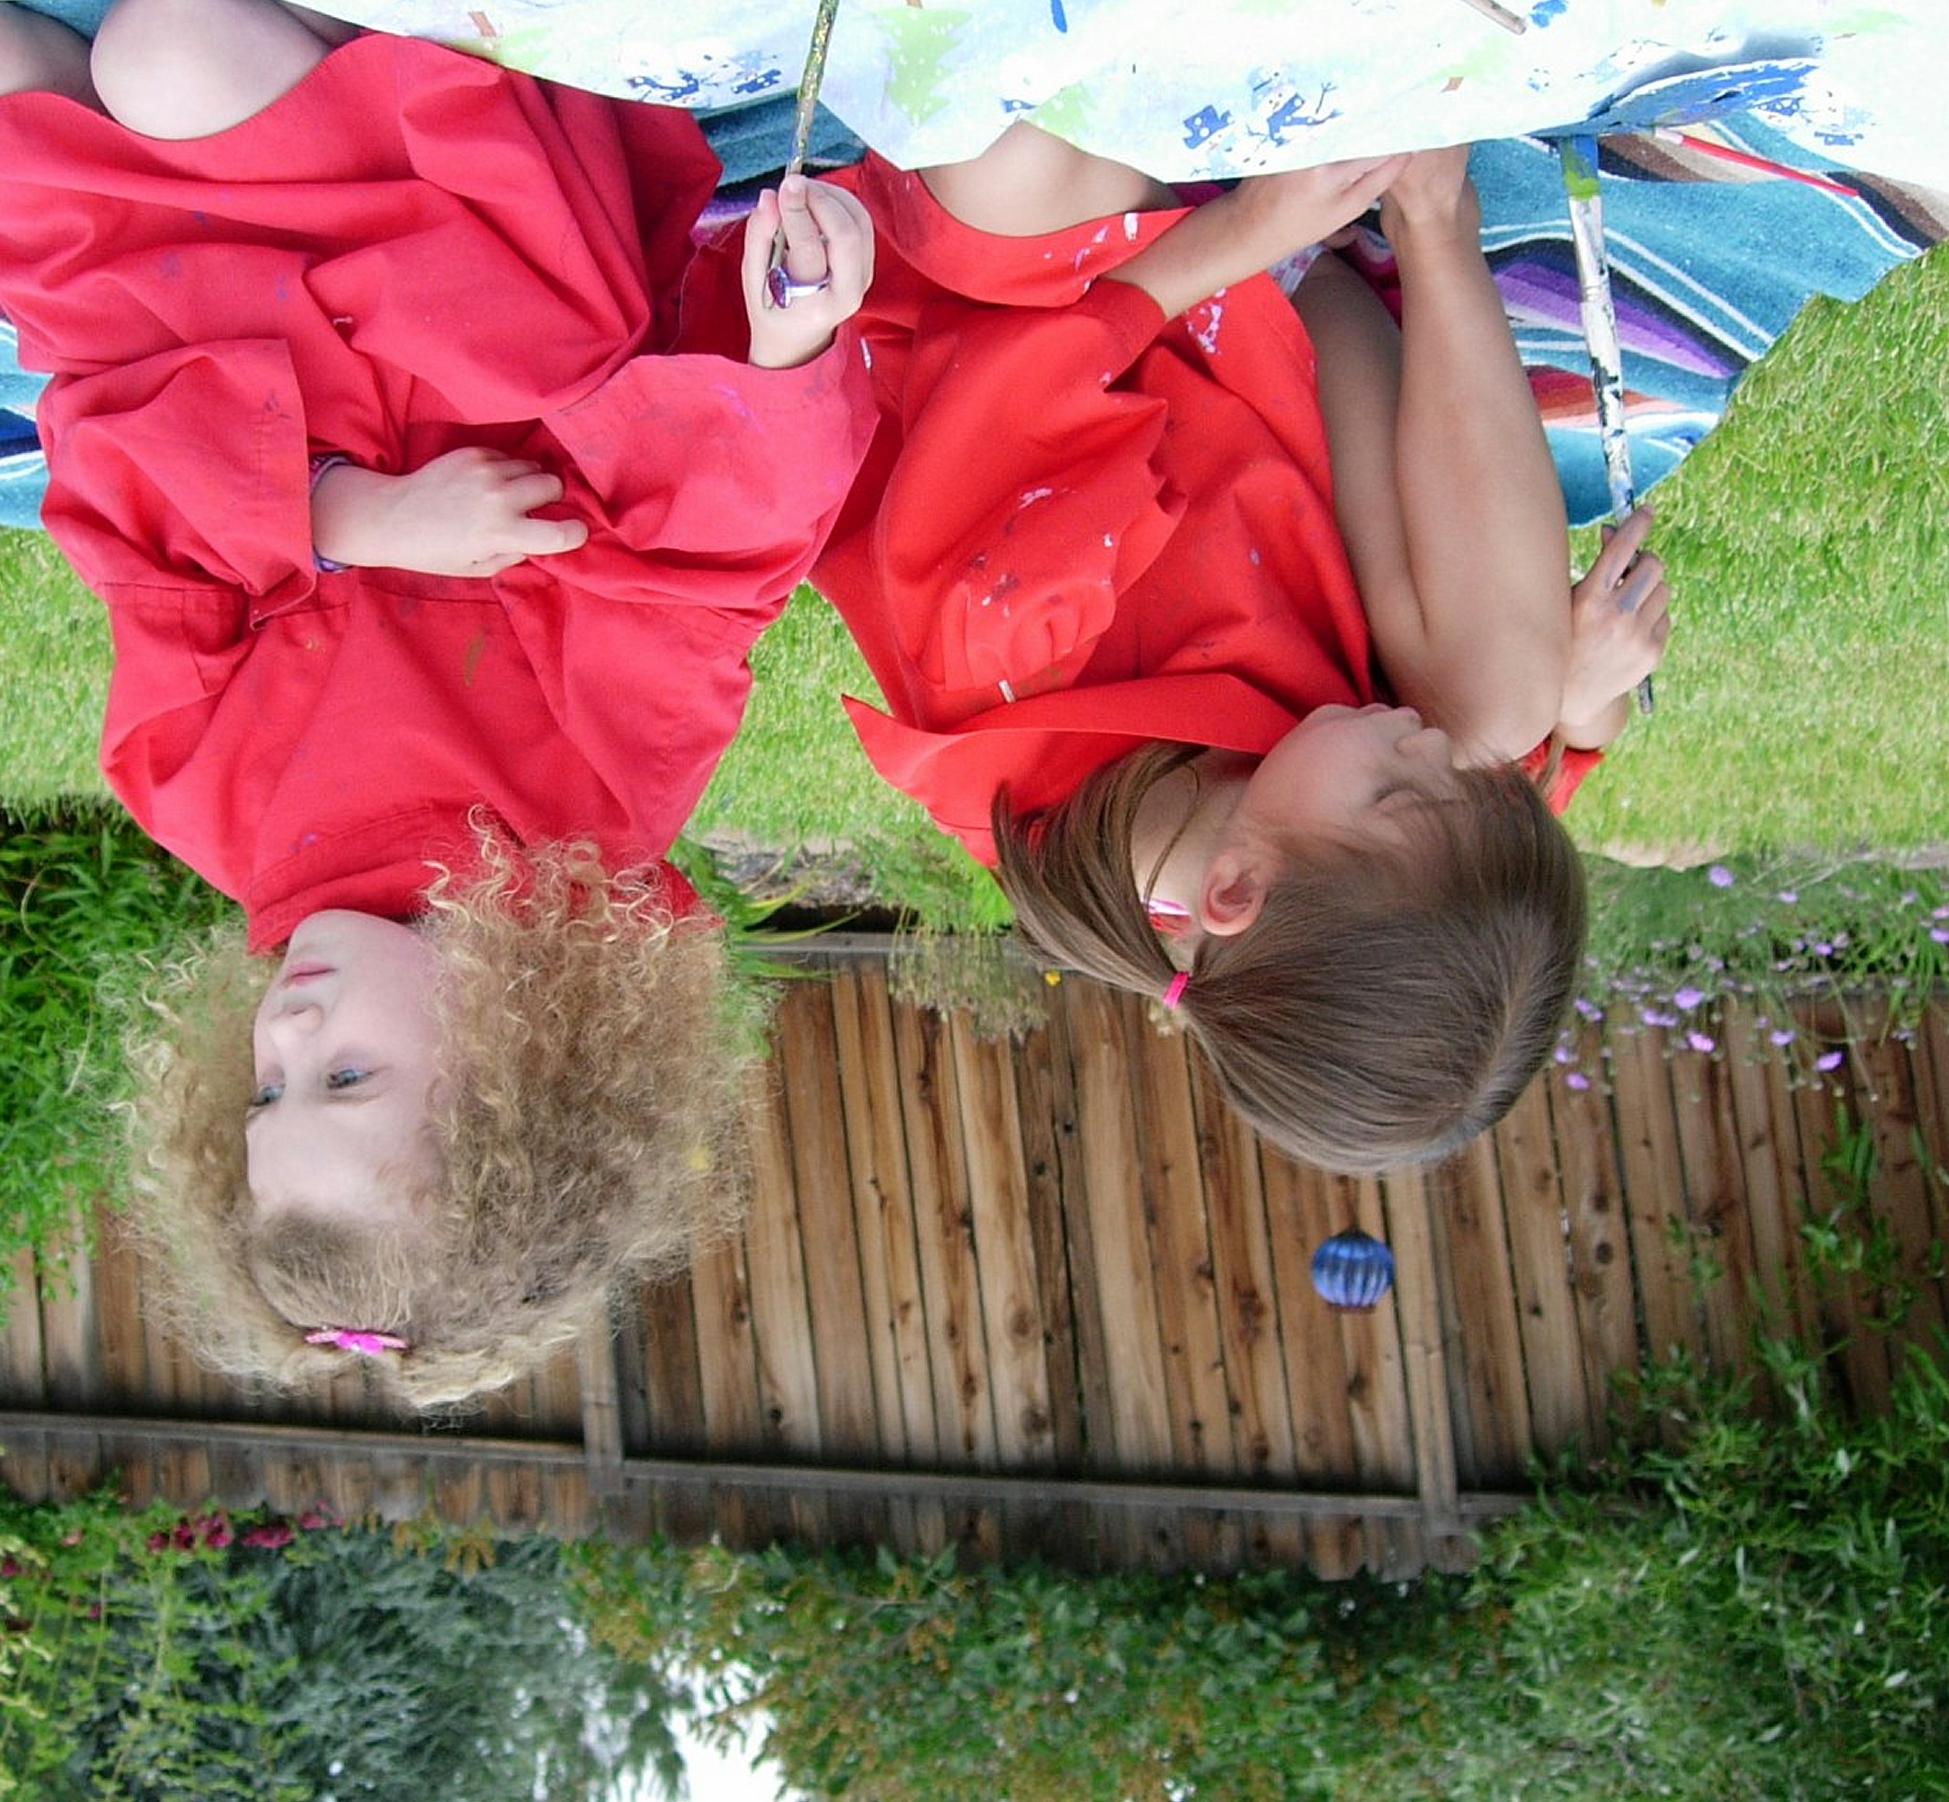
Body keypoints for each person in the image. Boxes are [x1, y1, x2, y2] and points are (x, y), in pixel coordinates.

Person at [0, 0, 877, 1403]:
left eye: (265, 1091)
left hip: (194, 352)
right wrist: (789, 352)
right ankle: (324, 58)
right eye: (347, 1078)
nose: (288, 1036)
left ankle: (243, 80)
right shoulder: (584, 816)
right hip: (440, 305)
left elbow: (131, 528)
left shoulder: (200, 799)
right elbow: (703, 564)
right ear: (519, 1064)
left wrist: (348, 520)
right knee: (168, 51)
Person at [702, 125, 1667, 1172]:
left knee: (1007, 162)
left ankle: (1295, 214)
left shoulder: (1003, 663)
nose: (1422, 740)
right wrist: (1584, 703)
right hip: (1261, 319)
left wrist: (1247, 231)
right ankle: (1432, 210)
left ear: (1234, 893)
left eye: (1403, 784)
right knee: (1510, 701)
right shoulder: (1343, 852)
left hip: (1037, 312)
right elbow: (1505, 790)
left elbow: (1014, 372)